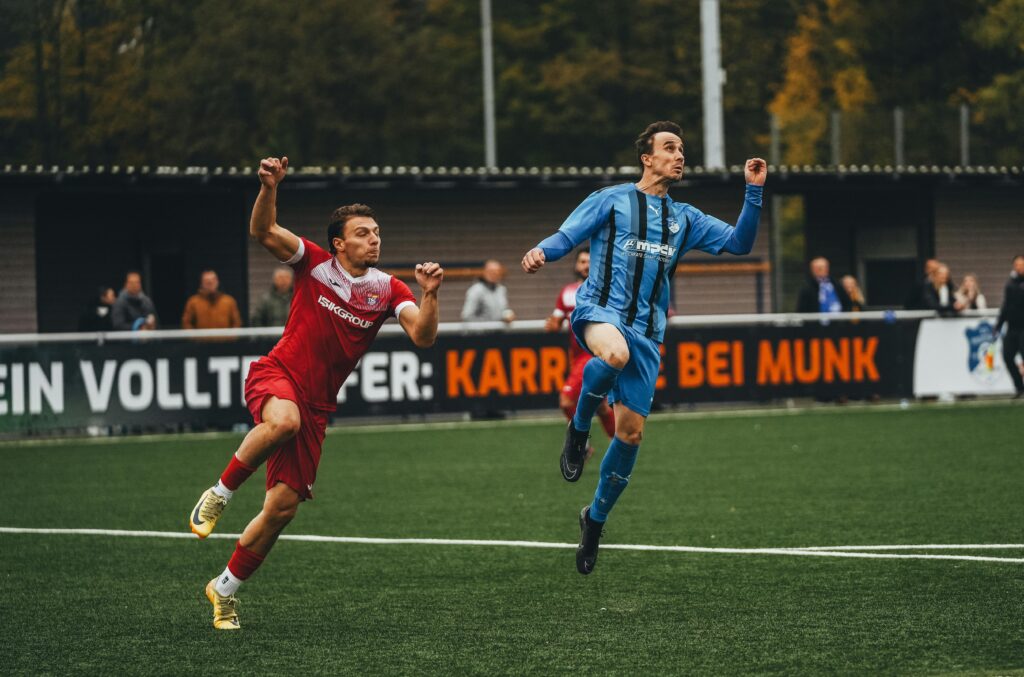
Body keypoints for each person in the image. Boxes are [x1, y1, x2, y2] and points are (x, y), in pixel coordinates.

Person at [188, 156, 444, 630]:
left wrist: (429, 294)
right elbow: (263, 231)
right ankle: (220, 493)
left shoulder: (389, 289)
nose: (374, 238)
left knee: (282, 508)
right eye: (364, 232)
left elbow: (424, 337)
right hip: (278, 373)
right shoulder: (314, 262)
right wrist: (269, 187)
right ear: (339, 243)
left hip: (319, 406)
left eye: (377, 231)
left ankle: (223, 589)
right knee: (284, 421)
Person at [521, 120, 766, 575]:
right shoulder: (611, 199)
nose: (679, 156)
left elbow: (740, 243)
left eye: (682, 150)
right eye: (669, 148)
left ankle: (593, 520)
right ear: (647, 158)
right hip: (600, 312)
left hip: (648, 333)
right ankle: (578, 430)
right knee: (613, 354)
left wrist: (753, 191)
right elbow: (566, 236)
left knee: (631, 434)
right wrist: (541, 251)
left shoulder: (685, 218)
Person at [545, 248, 615, 450]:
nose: (586, 265)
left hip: (594, 353)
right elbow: (557, 320)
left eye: (590, 261)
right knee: (601, 406)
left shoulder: (606, 290)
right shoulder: (567, 292)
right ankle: (619, 444)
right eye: (583, 261)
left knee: (566, 400)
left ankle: (581, 444)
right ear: (576, 265)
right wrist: (553, 325)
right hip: (576, 356)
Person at [994, 255, 1024, 398]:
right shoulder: (1010, 284)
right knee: (1007, 356)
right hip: (1012, 327)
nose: (1019, 267)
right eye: (1017, 265)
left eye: (1021, 264)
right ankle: (1019, 387)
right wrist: (998, 325)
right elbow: (1006, 306)